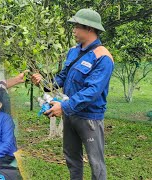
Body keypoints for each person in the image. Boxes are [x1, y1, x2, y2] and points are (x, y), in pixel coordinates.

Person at [31, 9, 114, 180]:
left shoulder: (103, 57)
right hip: (70, 114)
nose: (74, 30)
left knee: (95, 162)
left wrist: (64, 106)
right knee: (72, 157)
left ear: (90, 28)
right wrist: (44, 83)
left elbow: (92, 92)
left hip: (89, 117)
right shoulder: (74, 51)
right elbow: (62, 77)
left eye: (77, 26)